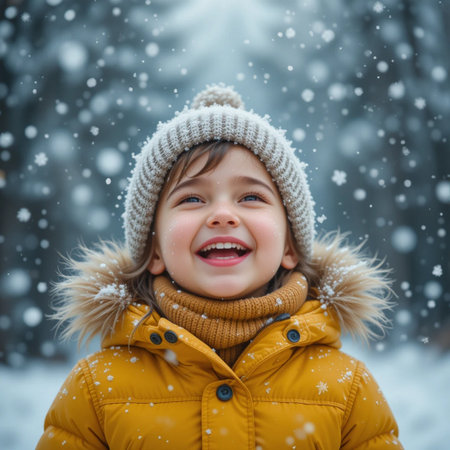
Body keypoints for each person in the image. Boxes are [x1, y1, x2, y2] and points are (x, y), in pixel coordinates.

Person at [37, 85, 403, 449]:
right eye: (192, 198)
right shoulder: (97, 388)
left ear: (290, 246)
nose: (223, 215)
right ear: (155, 251)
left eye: (250, 197)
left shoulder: (347, 387)